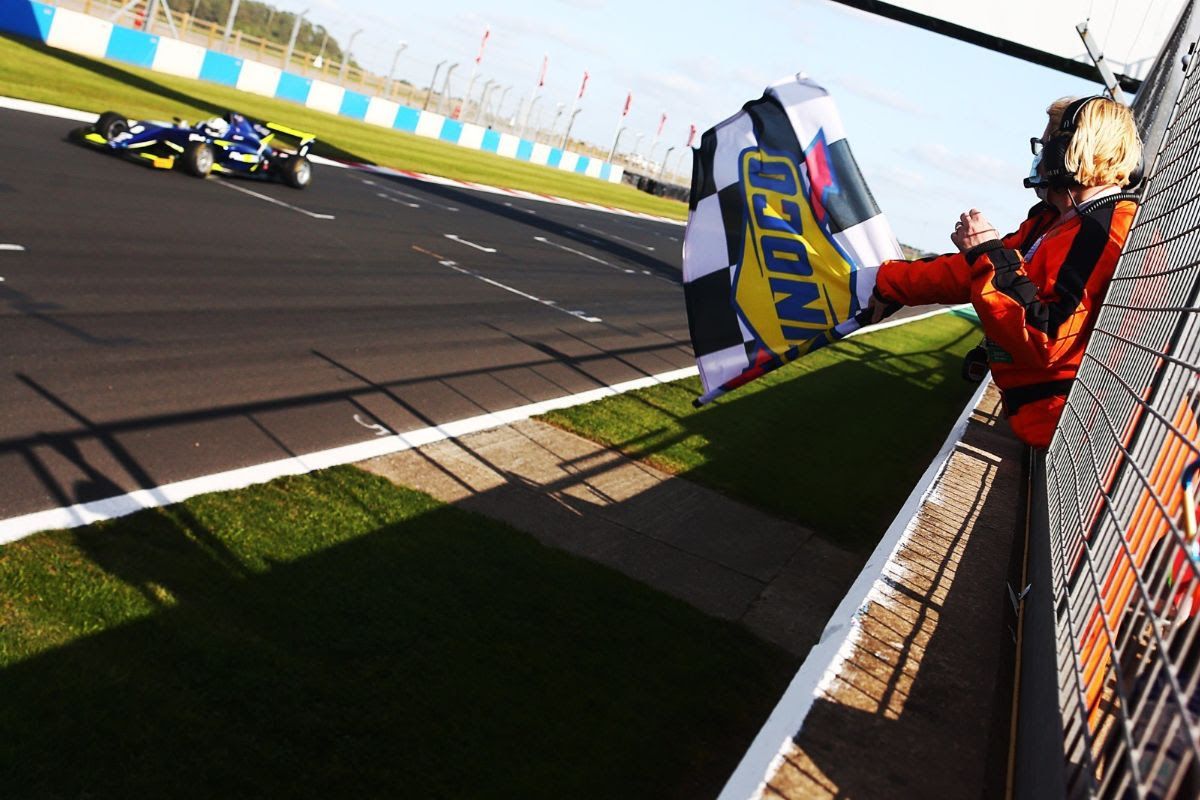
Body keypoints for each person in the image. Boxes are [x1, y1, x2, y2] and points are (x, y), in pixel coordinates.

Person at [860, 96, 1143, 448]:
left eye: (1048, 144)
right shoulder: (1059, 221)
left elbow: (1048, 336)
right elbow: (973, 272)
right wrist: (888, 283)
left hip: (1090, 439)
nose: (1040, 156)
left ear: (1070, 150)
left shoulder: (1109, 230)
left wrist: (989, 252)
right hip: (1060, 425)